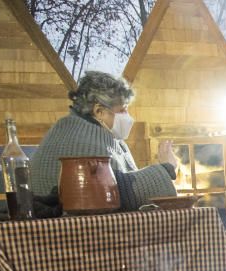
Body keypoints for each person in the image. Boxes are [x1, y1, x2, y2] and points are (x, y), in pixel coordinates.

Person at [30, 71, 178, 211]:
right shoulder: (83, 140)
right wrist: (166, 169)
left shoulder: (69, 129)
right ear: (99, 111)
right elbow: (112, 192)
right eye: (122, 110)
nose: (128, 116)